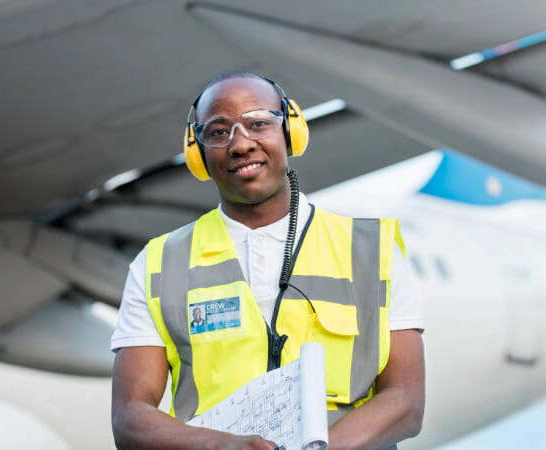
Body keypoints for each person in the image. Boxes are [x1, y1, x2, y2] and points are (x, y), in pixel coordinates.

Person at [111, 72, 425, 449]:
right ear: (198, 154)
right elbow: (130, 417)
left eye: (258, 123)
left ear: (291, 132)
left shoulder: (372, 250)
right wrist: (222, 445)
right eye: (217, 132)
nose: (240, 144)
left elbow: (406, 403)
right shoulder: (159, 263)